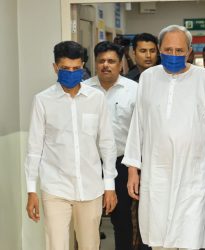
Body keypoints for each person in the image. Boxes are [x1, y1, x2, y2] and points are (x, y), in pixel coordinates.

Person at [122, 24, 205, 250]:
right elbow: (138, 124)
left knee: (189, 238)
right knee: (159, 238)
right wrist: (133, 169)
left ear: (190, 51)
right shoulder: (148, 78)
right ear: (159, 49)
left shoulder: (203, 77)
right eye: (168, 50)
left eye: (179, 51)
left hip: (192, 175)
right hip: (156, 174)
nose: (173, 55)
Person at [25, 41, 117, 250]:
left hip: (91, 188)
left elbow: (107, 143)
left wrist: (109, 185)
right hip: (55, 188)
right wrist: (31, 190)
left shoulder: (96, 98)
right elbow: (34, 148)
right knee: (56, 245)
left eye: (76, 68)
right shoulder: (42, 101)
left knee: (90, 245)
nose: (71, 73)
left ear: (83, 66)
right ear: (55, 68)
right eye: (65, 68)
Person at [83, 41, 138, 250]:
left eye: (111, 61)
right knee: (88, 221)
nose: (106, 65)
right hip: (90, 165)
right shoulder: (83, 90)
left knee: (122, 221)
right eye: (101, 61)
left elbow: (140, 132)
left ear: (121, 63)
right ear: (95, 63)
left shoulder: (134, 90)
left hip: (122, 164)